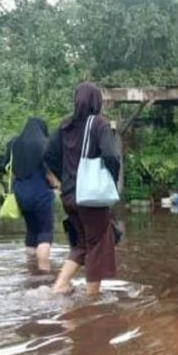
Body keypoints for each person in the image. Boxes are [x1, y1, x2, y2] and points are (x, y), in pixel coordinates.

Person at [45, 83, 121, 296]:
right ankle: (92, 298)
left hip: (69, 195)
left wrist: (64, 180)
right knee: (98, 243)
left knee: (82, 242)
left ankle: (59, 285)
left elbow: (48, 155)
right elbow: (111, 156)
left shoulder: (64, 126)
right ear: (96, 102)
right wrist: (111, 181)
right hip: (91, 197)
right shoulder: (99, 124)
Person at [6, 117, 59, 274]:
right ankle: (43, 272)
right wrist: (56, 186)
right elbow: (50, 171)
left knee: (31, 231)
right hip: (40, 192)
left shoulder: (13, 143)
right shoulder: (45, 143)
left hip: (20, 192)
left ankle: (31, 267)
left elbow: (7, 167)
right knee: (45, 232)